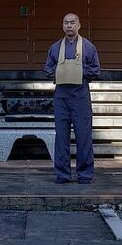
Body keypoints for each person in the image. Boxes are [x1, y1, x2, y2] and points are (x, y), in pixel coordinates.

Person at [43, 12, 101, 184]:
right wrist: (62, 72)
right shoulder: (55, 47)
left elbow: (96, 70)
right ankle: (63, 174)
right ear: (63, 25)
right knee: (61, 136)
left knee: (84, 136)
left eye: (72, 22)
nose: (69, 25)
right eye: (66, 22)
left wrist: (77, 71)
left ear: (78, 25)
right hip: (61, 97)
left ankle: (85, 174)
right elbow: (47, 69)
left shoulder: (89, 47)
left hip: (80, 96)